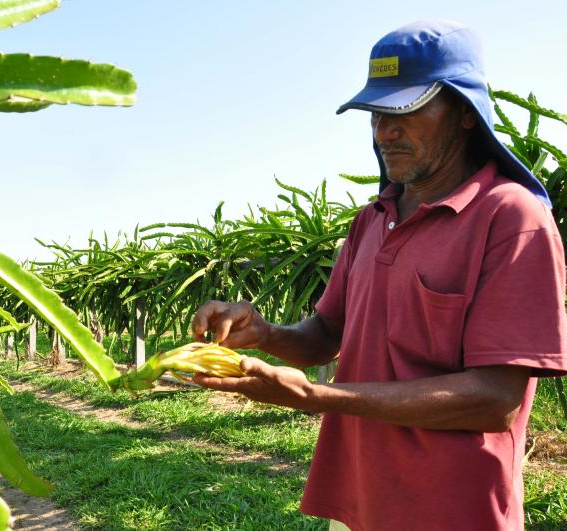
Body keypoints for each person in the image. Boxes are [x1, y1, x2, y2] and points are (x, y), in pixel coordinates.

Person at [191, 19, 567, 531]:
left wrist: (313, 397)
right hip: (358, 500)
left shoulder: (511, 218)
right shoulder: (372, 219)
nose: (384, 131)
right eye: (377, 113)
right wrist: (265, 333)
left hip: (453, 511)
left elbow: (495, 399)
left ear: (465, 112)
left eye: (407, 111)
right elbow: (327, 335)